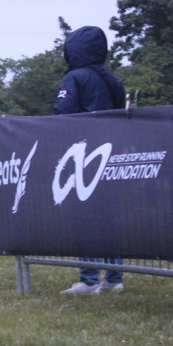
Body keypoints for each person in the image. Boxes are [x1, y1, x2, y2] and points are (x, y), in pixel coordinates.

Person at [53, 25, 127, 295]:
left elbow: (63, 111)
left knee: (85, 217)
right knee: (109, 218)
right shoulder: (112, 80)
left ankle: (89, 279)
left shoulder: (75, 77)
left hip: (83, 154)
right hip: (111, 152)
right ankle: (114, 278)